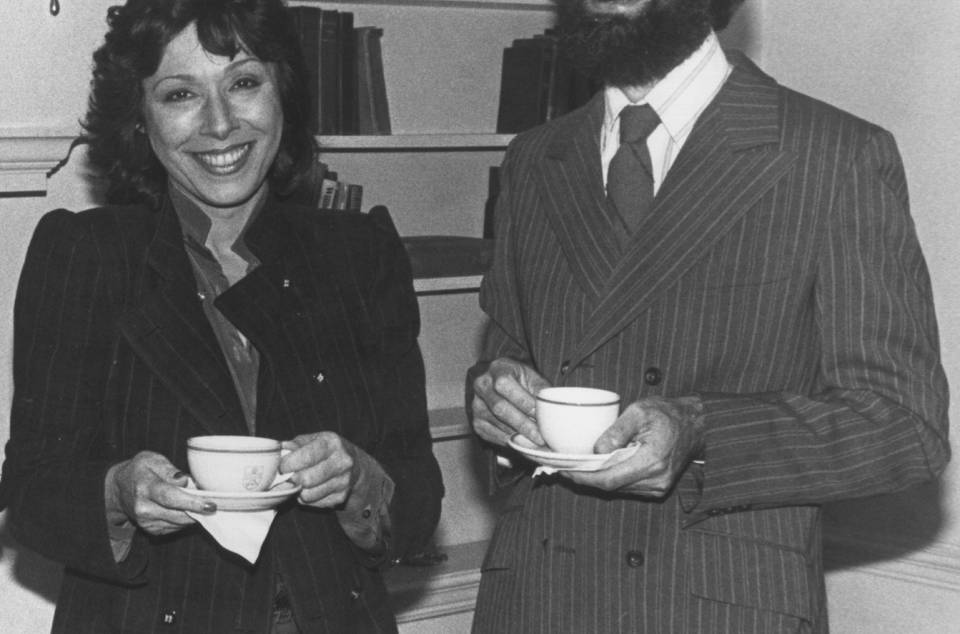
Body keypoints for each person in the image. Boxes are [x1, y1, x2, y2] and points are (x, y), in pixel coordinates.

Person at [469, 0, 950, 632]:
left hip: (716, 606)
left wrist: (700, 433)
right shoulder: (535, 160)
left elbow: (904, 427)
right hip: (535, 598)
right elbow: (514, 356)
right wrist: (498, 405)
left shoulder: (834, 155)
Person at [0, 1, 443, 632]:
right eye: (180, 93)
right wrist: (119, 493)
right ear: (140, 119)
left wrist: (360, 481)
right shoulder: (85, 254)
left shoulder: (360, 255)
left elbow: (420, 492)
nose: (220, 123)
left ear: (281, 90)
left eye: (242, 82)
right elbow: (32, 491)